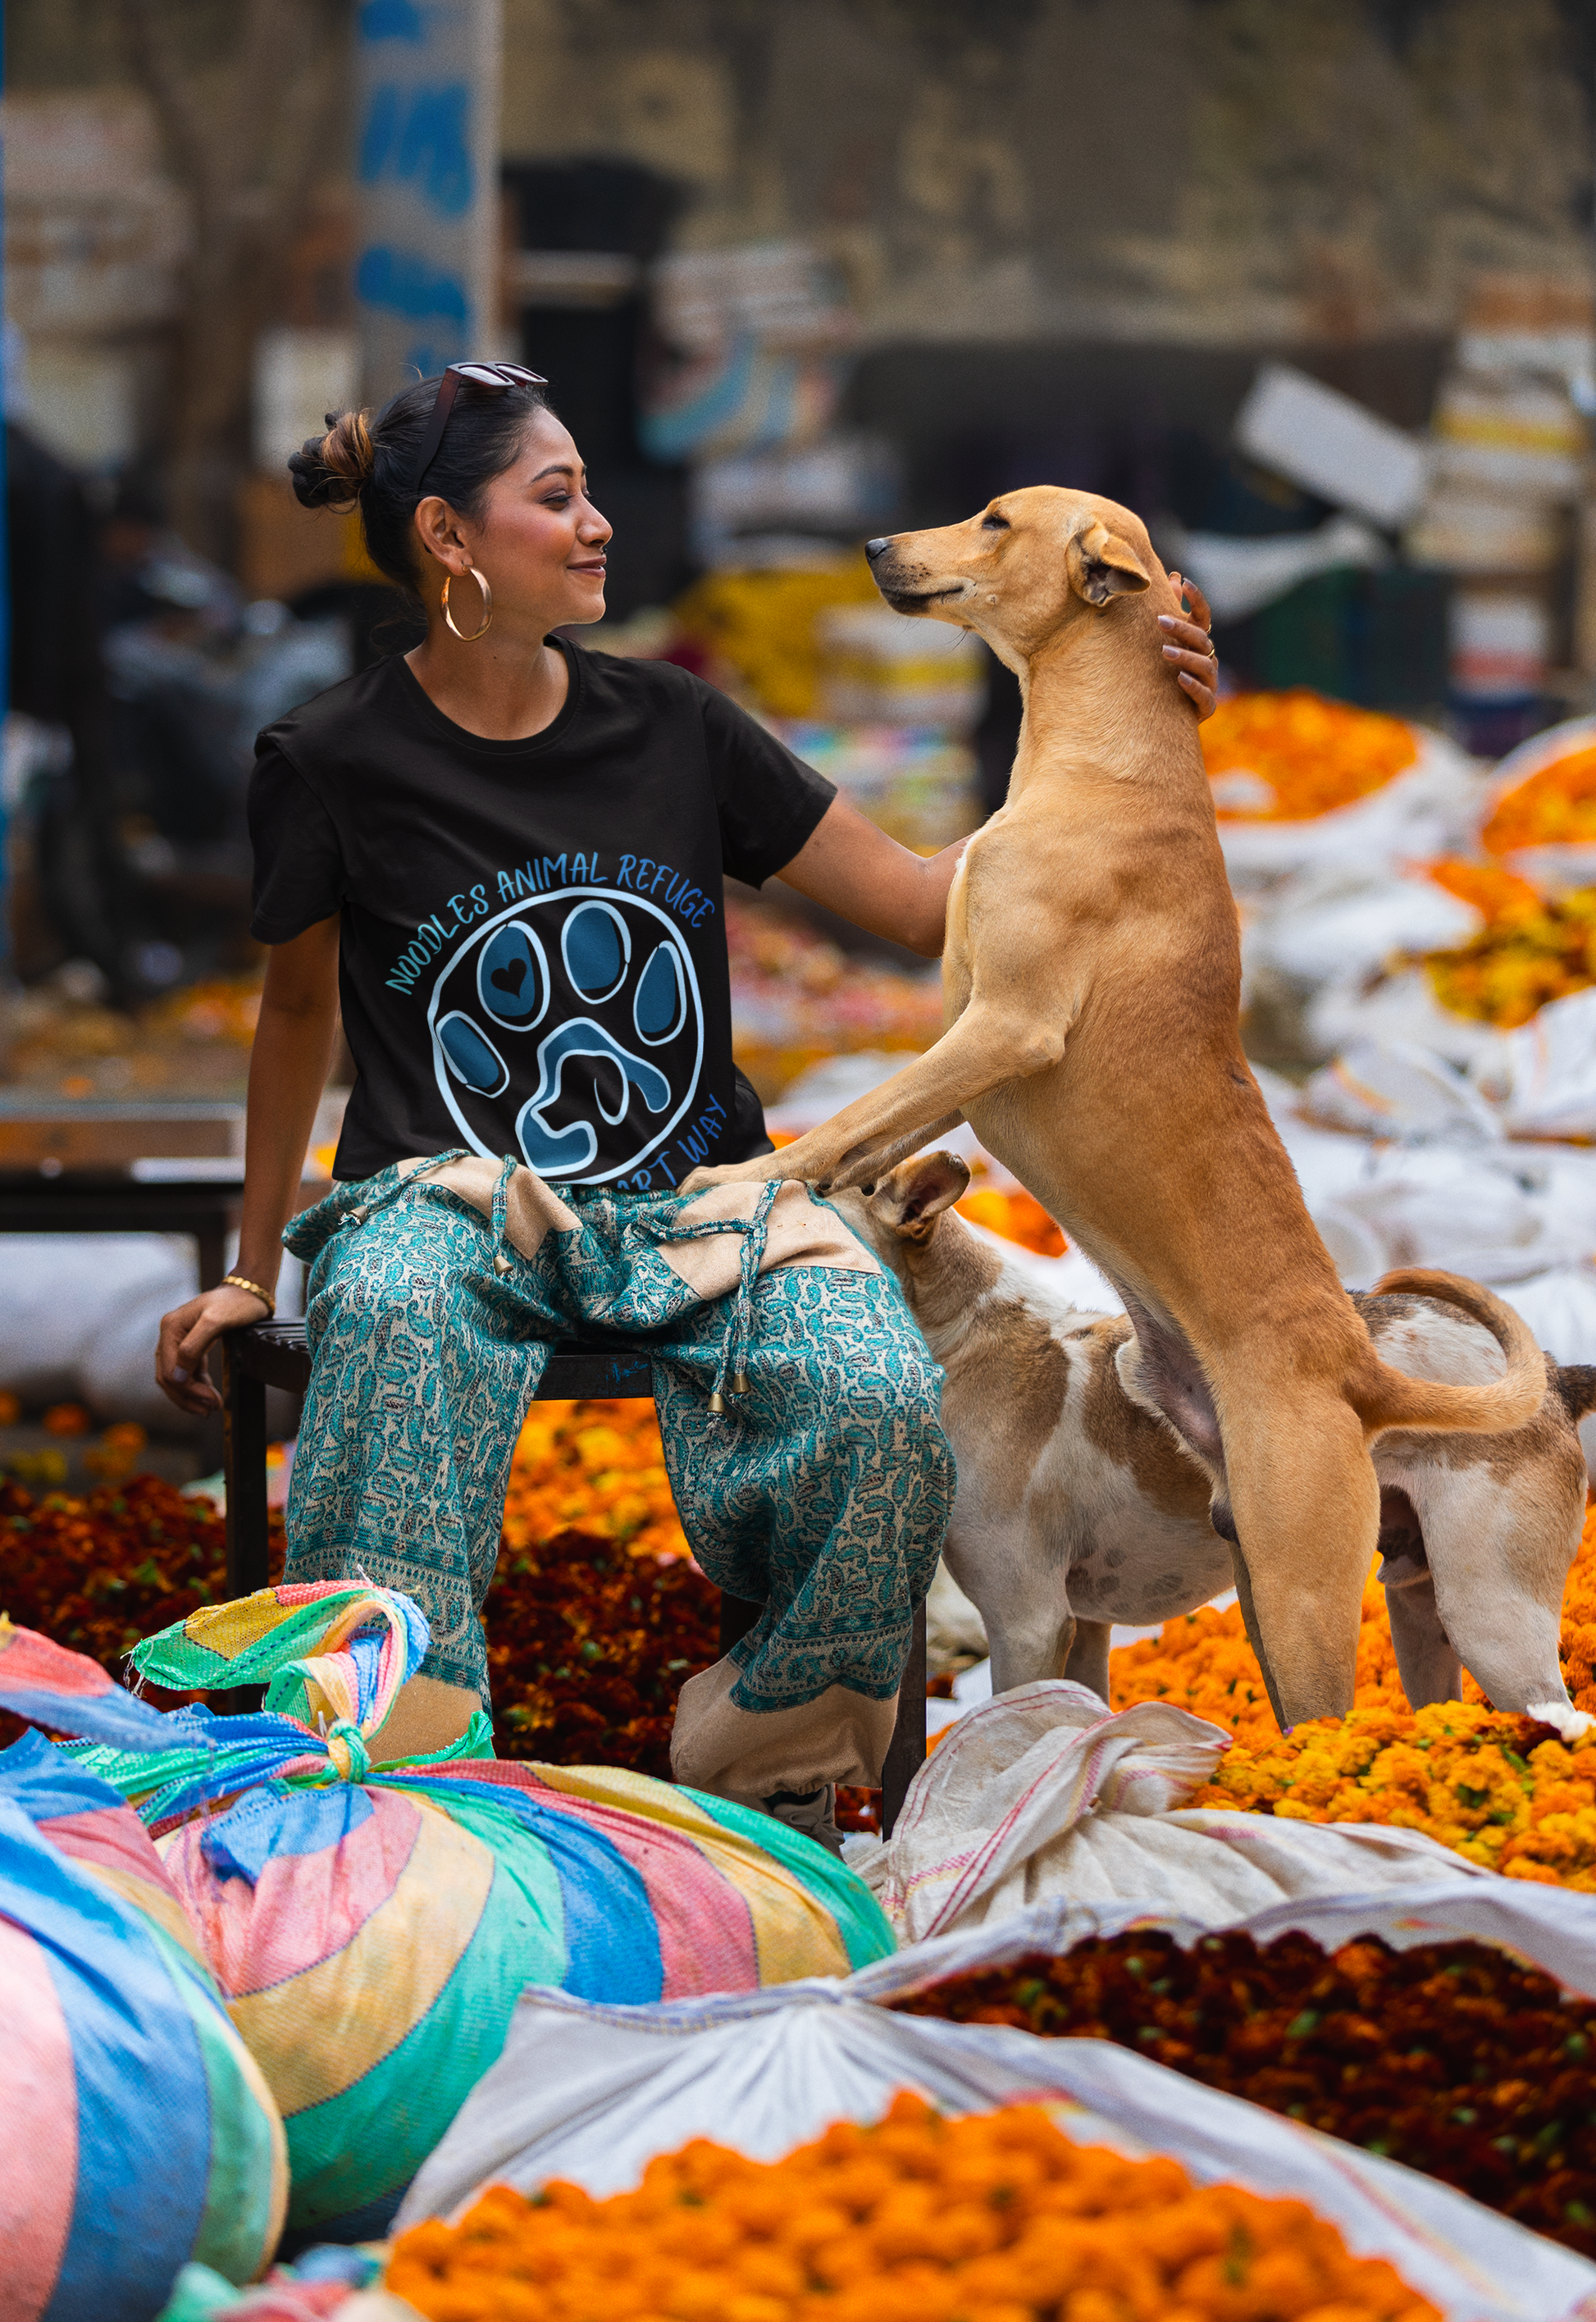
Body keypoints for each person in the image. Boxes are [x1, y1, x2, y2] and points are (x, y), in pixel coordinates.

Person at [154, 363, 1218, 1838]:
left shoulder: (676, 727)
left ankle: (766, 1777)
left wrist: (1118, 711)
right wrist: (247, 1269)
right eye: (556, 498)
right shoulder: (330, 760)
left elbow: (923, 908)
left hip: (705, 1199)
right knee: (392, 1316)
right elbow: (291, 1018)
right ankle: (383, 1788)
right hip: (453, 1203)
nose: (597, 527)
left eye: (590, 493)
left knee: (874, 1395)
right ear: (451, 542)